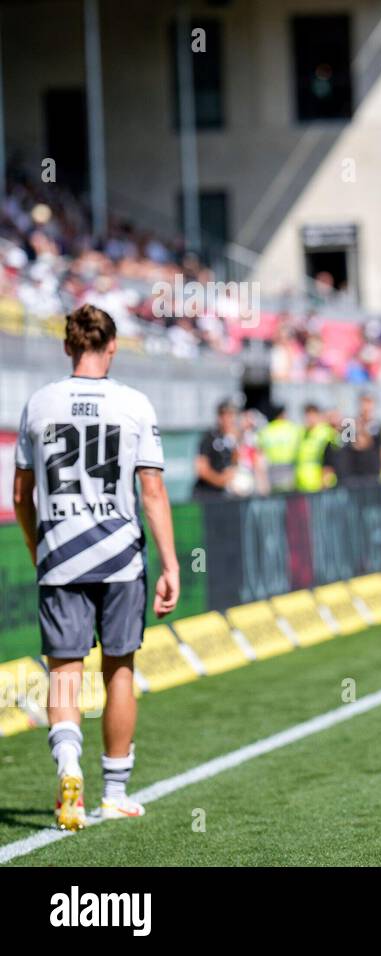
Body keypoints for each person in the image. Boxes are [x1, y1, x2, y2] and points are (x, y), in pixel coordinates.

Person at [11, 304, 180, 830]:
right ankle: (115, 791)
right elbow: (152, 492)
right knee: (119, 671)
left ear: (68, 346)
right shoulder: (133, 404)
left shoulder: (40, 403)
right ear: (112, 347)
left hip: (60, 554)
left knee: (63, 675)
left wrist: (36, 544)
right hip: (120, 556)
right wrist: (172, 562)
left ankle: (68, 768)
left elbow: (21, 493)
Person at [333, 393, 381, 485]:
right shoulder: (349, 424)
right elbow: (350, 446)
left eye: (369, 403)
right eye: (364, 403)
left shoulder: (377, 425)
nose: (366, 408)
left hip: (372, 475)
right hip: (352, 476)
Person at [192, 400, 239, 500]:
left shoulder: (232, 439)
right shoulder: (209, 438)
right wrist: (221, 481)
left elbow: (234, 463)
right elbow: (201, 470)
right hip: (207, 494)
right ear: (219, 417)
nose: (230, 419)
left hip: (225, 495)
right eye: (226, 415)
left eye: (232, 415)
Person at [258, 403, 302, 493]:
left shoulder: (265, 430)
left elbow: (260, 454)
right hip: (290, 471)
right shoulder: (292, 428)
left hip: (272, 472)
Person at [295, 404, 337, 493]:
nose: (309, 419)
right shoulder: (302, 433)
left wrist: (325, 482)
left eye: (312, 415)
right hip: (303, 485)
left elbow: (330, 459)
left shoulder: (326, 433)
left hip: (321, 485)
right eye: (307, 415)